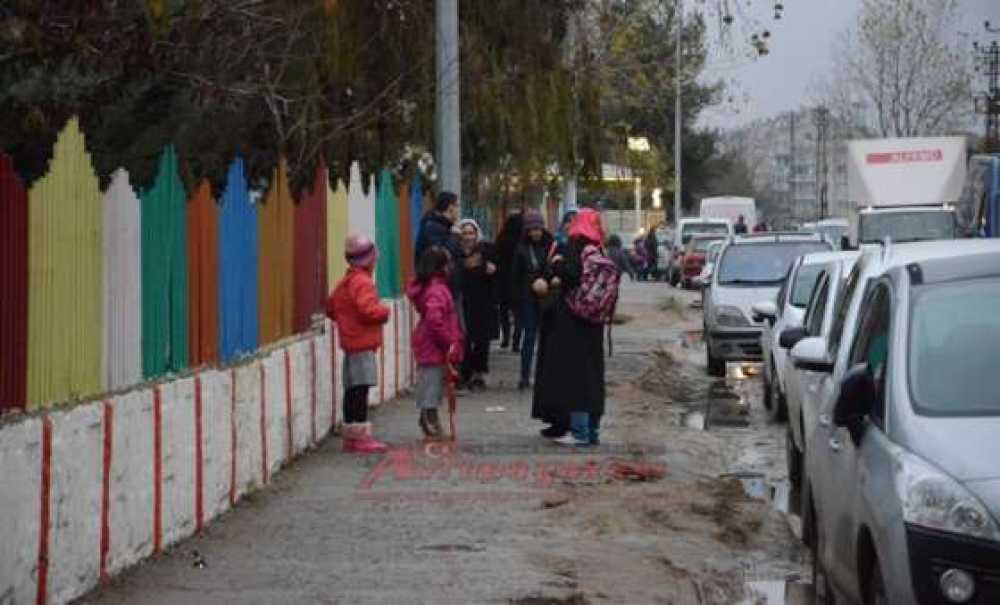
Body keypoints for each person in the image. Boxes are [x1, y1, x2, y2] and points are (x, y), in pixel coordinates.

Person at [533, 208, 613, 446]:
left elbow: (570, 274)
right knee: (593, 375)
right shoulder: (598, 249)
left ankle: (579, 433)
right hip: (595, 320)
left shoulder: (575, 247)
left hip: (573, 320)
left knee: (576, 378)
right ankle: (593, 432)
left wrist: (556, 266)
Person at [327, 234, 391, 454]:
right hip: (363, 342)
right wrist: (384, 311)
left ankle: (351, 437)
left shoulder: (346, 281)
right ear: (370, 258)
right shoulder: (363, 282)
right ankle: (361, 438)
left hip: (350, 342)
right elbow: (368, 309)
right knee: (360, 391)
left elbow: (331, 307)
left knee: (352, 390)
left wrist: (346, 321)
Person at [406, 246, 464, 439]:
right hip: (434, 345)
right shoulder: (437, 290)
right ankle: (430, 421)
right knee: (431, 385)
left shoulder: (432, 288)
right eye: (448, 264)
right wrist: (448, 340)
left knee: (433, 383)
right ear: (441, 267)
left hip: (430, 344)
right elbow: (434, 320)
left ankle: (429, 419)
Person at [510, 211, 554, 390]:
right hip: (527, 298)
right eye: (532, 229)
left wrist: (547, 281)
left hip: (547, 298)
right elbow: (515, 277)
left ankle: (545, 375)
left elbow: (555, 269)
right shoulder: (520, 249)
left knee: (547, 338)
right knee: (529, 336)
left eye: (539, 228)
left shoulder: (551, 246)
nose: (536, 232)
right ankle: (524, 375)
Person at [456, 219, 498, 390]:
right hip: (463, 301)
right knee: (464, 337)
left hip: (483, 301)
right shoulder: (456, 253)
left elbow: (494, 271)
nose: (468, 237)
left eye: (471, 233)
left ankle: (479, 373)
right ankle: (465, 372)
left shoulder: (486, 250)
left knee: (482, 339)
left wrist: (491, 270)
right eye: (465, 233)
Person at [494, 211, 524, 350]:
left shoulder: (501, 240)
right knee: (518, 313)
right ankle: (516, 341)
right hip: (517, 281)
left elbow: (496, 259)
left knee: (504, 311)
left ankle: (505, 338)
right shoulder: (522, 242)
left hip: (502, 280)